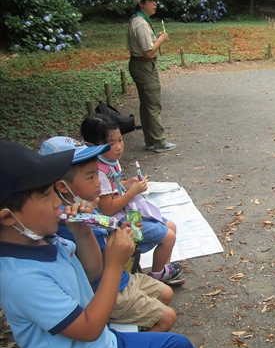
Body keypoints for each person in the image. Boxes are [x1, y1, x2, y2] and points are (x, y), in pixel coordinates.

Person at [0, 140, 217, 348]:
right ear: (7, 217)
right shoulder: (20, 277)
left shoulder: (46, 238)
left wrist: (82, 231)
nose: (58, 201)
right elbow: (87, 327)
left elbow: (92, 270)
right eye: (45, 196)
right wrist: (116, 263)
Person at [39, 136, 178, 332]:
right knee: (167, 318)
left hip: (119, 276)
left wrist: (120, 231)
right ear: (62, 186)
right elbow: (93, 270)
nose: (99, 183)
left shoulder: (85, 206)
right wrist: (119, 251)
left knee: (166, 294)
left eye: (98, 174)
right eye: (91, 177)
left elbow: (102, 229)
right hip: (103, 288)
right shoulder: (67, 222)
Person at [81, 114, 186, 286]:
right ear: (93, 146)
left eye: (120, 140)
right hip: (117, 223)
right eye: (110, 144)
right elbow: (107, 208)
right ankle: (157, 275)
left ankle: (163, 268)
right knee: (168, 236)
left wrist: (128, 184)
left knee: (171, 226)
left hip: (127, 211)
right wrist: (132, 192)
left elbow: (114, 187)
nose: (118, 147)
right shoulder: (98, 171)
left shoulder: (110, 161)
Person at [128, 0, 176, 153]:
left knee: (147, 104)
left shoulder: (140, 21)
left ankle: (151, 140)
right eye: (151, 1)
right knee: (153, 104)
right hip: (144, 65)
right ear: (141, 4)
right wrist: (162, 39)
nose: (155, 4)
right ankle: (159, 142)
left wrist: (157, 38)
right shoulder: (140, 23)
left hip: (140, 64)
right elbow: (148, 52)